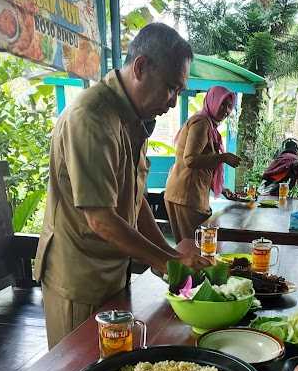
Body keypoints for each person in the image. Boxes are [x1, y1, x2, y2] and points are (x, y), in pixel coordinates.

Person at [34, 23, 211, 349]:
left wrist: (169, 256)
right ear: (141, 67)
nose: (173, 102)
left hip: (114, 270)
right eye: (171, 88)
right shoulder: (92, 116)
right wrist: (167, 262)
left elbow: (134, 197)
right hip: (81, 277)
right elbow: (100, 218)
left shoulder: (133, 117)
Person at [165, 85, 240, 243]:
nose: (226, 110)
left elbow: (202, 165)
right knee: (195, 247)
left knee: (193, 246)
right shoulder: (202, 123)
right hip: (186, 195)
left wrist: (221, 189)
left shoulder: (209, 124)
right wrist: (223, 157)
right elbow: (191, 159)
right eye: (222, 104)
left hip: (187, 194)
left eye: (229, 106)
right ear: (212, 101)